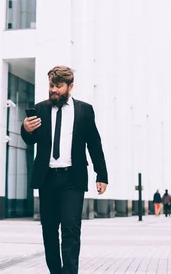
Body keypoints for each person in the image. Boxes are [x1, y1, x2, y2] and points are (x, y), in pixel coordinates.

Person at [21, 65, 109, 274]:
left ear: (70, 86)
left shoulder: (84, 110)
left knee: (71, 231)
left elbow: (94, 144)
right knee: (49, 232)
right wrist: (25, 129)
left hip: (73, 179)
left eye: (58, 86)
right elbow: (29, 140)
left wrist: (102, 174)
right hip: (47, 179)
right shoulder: (40, 109)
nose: (53, 90)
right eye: (51, 85)